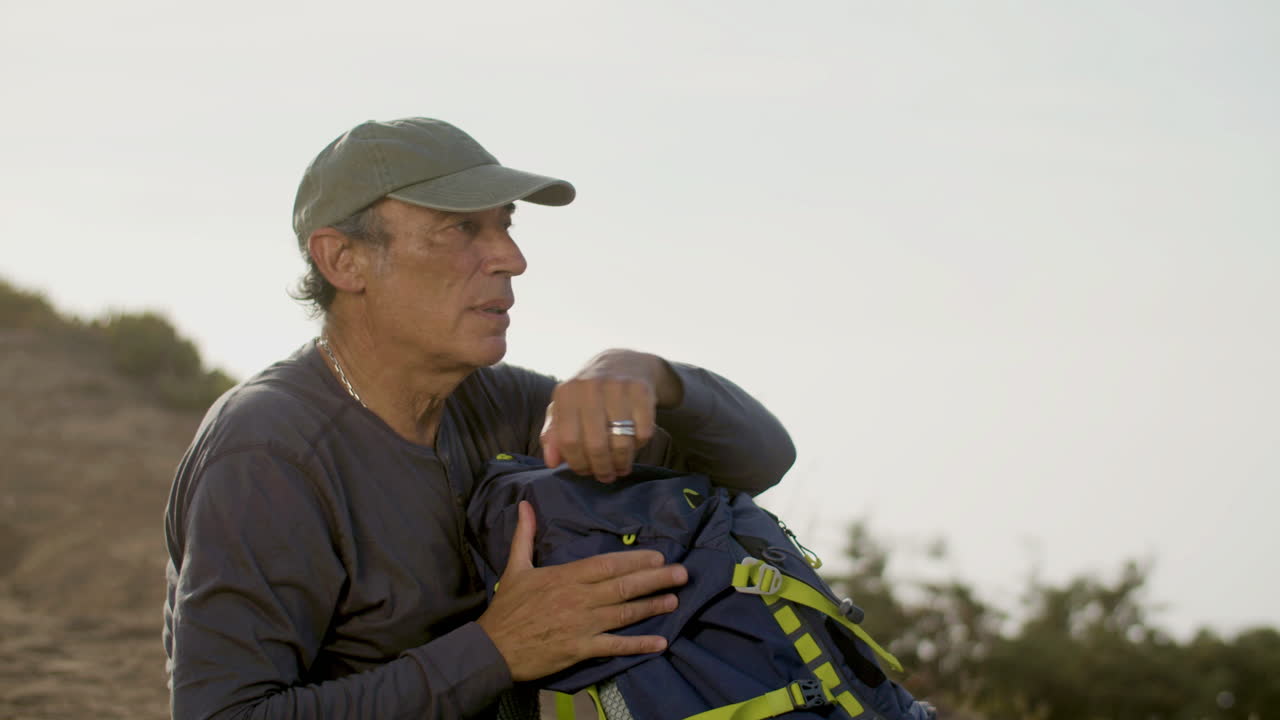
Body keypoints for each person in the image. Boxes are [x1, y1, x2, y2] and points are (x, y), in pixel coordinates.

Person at [163, 117, 796, 720]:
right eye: (461, 228)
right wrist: (497, 651)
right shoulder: (269, 453)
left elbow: (758, 463)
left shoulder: (501, 406)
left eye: (505, 224)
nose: (511, 258)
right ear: (343, 260)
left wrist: (653, 375)